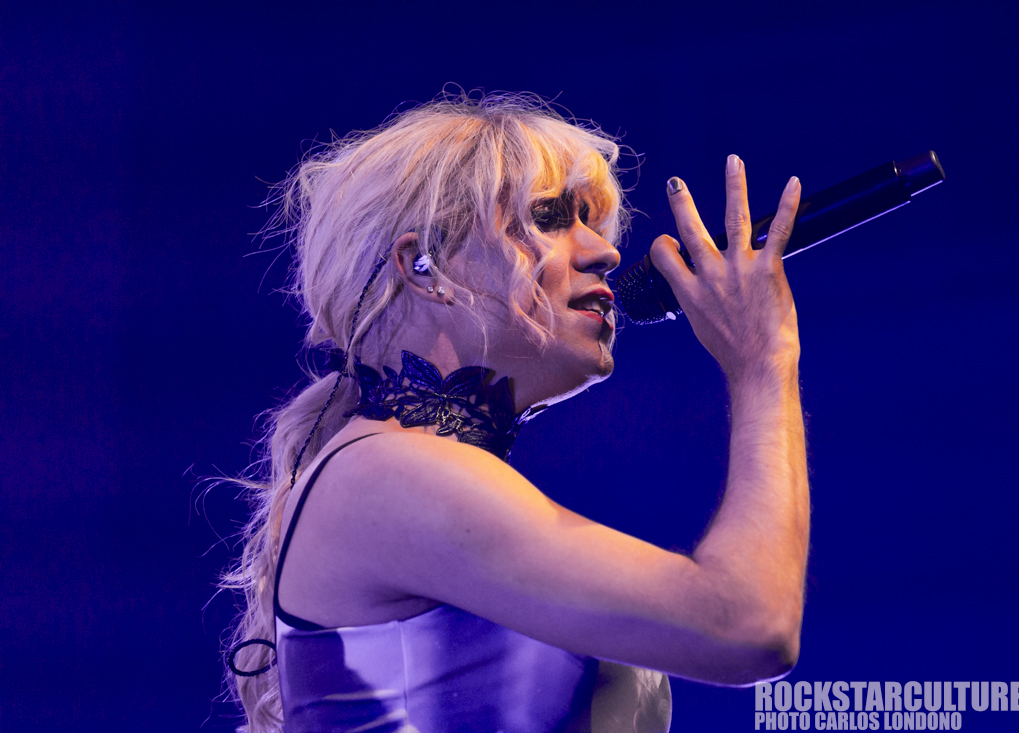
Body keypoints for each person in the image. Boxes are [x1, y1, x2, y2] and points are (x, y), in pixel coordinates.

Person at [221, 91, 809, 733]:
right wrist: (763, 360)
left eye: (592, 222)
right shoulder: (383, 472)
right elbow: (747, 625)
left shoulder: (403, 471)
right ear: (424, 268)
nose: (605, 251)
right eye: (550, 219)